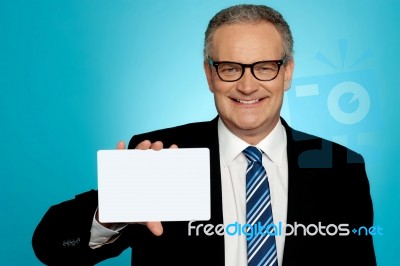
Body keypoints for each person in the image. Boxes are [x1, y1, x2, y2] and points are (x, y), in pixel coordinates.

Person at [32, 4, 376, 266]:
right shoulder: (161, 155)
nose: (247, 84)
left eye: (265, 67)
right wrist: (114, 210)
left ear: (287, 72)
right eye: (229, 68)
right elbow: (50, 246)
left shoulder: (341, 169)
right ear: (209, 76)